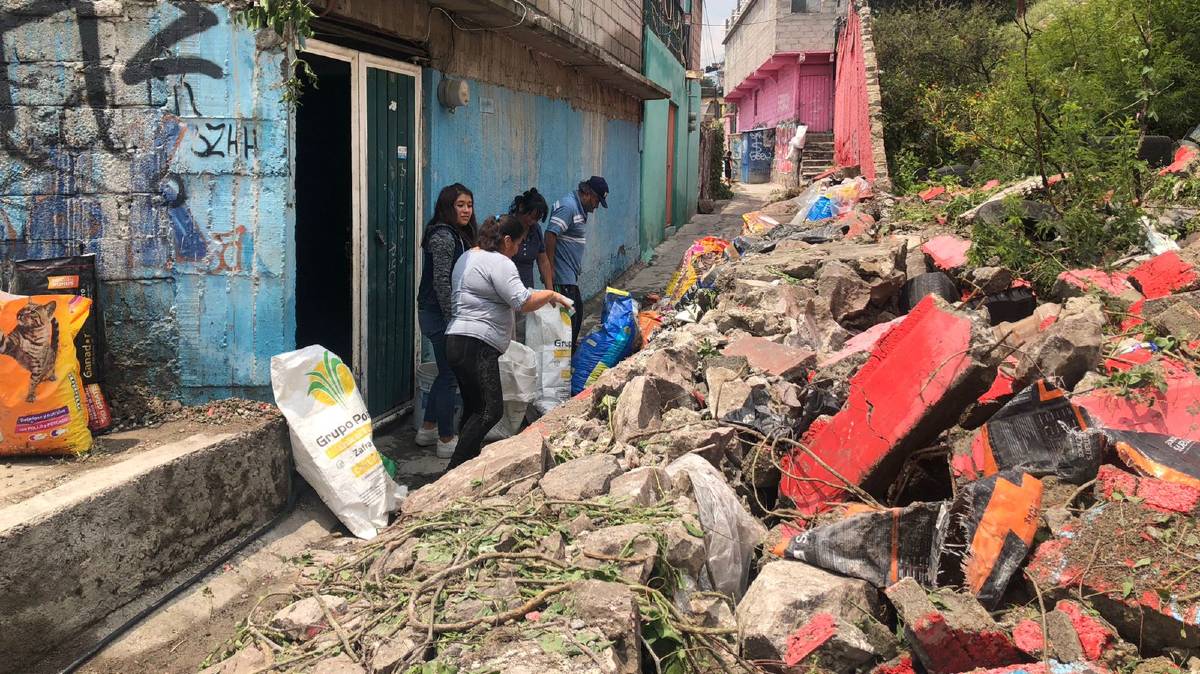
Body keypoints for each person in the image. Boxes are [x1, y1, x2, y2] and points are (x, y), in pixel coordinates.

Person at [444, 215, 571, 469]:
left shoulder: (469, 256)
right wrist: (551, 294)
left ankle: (465, 466)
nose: (517, 251)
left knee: (473, 407)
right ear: (507, 240)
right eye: (518, 244)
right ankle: (454, 469)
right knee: (490, 410)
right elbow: (522, 301)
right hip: (477, 344)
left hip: (457, 341)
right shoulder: (499, 262)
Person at [415, 183, 476, 459]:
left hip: (442, 313)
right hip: (438, 314)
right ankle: (446, 438)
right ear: (448, 207)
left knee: (444, 371)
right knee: (450, 374)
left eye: (469, 205)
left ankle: (427, 428)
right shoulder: (442, 236)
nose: (466, 210)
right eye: (460, 205)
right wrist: (454, 321)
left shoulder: (457, 234)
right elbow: (441, 283)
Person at [544, 176, 607, 350]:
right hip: (562, 277)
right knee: (568, 321)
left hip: (569, 275)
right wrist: (550, 268)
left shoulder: (579, 209)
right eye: (596, 200)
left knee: (576, 316)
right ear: (587, 193)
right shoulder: (568, 206)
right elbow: (550, 235)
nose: (596, 206)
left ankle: (568, 357)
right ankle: (563, 361)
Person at [508, 188, 553, 290]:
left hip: (527, 290)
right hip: (508, 291)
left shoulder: (536, 230)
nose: (532, 222)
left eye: (536, 219)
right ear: (521, 207)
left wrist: (550, 291)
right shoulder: (507, 227)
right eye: (531, 217)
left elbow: (543, 261)